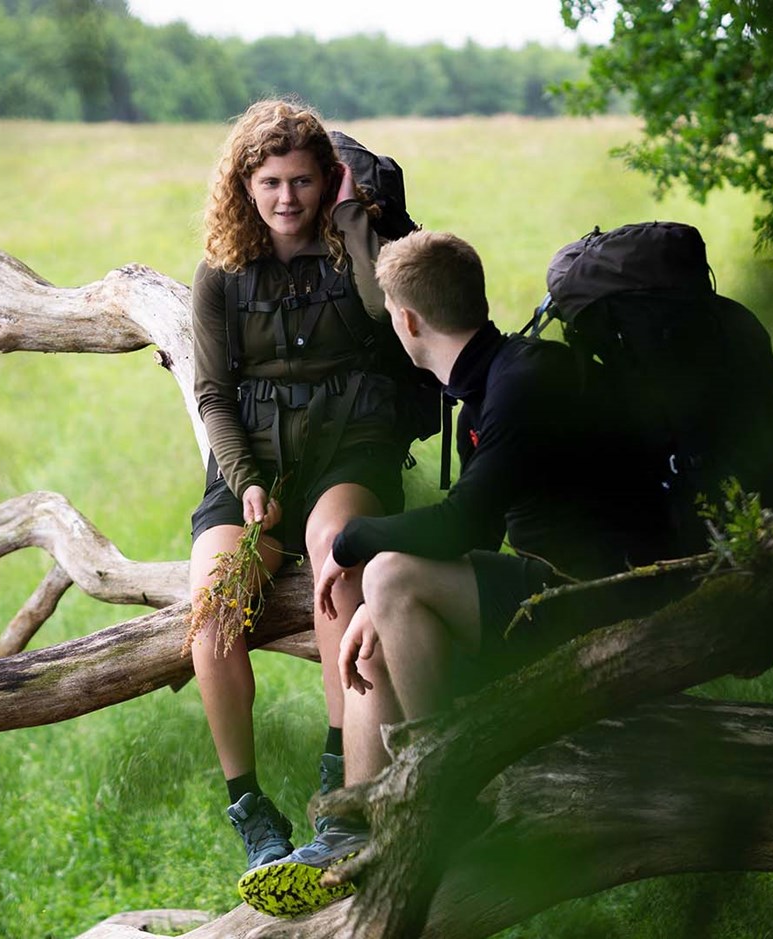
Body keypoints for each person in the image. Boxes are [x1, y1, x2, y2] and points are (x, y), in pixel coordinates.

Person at [237, 229, 684, 916]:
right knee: (376, 618)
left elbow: (463, 526)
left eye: (391, 313)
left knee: (388, 578)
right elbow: (477, 532)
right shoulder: (499, 376)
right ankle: (349, 834)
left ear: (408, 321)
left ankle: (440, 796)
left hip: (603, 600)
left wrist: (351, 541)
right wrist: (372, 608)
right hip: (555, 587)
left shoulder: (519, 386)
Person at [186, 98, 411, 883]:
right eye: (271, 183)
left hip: (353, 442)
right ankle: (251, 809)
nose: (287, 199)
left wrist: (350, 219)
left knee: (334, 555)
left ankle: (340, 790)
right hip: (254, 458)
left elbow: (390, 316)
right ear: (244, 185)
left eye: (304, 181)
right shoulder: (220, 271)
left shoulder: (359, 245)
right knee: (215, 608)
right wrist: (246, 482)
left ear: (328, 179)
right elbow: (212, 393)